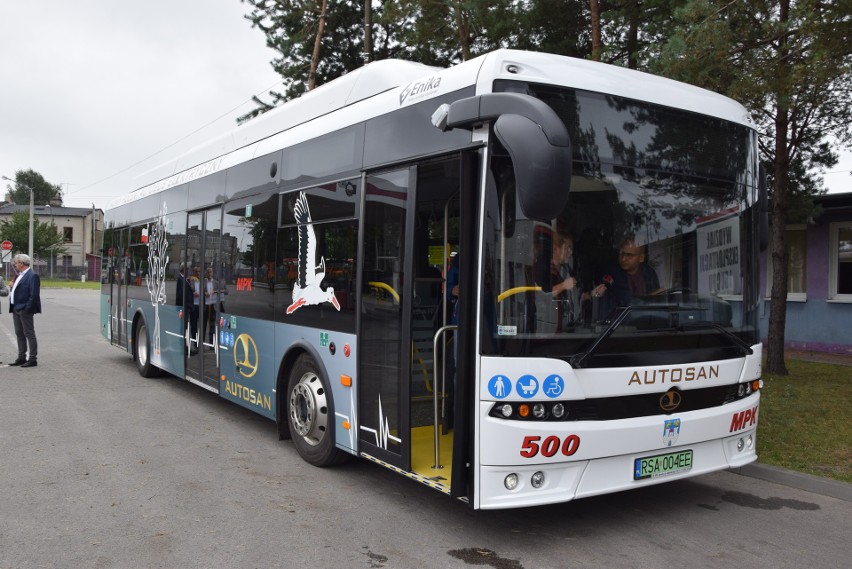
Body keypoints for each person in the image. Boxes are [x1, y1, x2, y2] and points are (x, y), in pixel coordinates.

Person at [592, 236, 662, 311]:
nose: (623, 259)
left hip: (647, 319)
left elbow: (657, 305)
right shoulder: (611, 273)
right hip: (620, 321)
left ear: (641, 258)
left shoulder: (649, 273)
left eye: (629, 255)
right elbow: (627, 302)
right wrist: (654, 296)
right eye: (621, 253)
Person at [9, 253, 42, 367]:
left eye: (16, 263)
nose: (15, 264)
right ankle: (21, 357)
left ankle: (33, 358)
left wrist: (26, 308)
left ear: (22, 264)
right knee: (19, 333)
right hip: (15, 308)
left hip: (24, 309)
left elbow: (34, 295)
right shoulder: (19, 275)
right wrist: (12, 287)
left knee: (29, 333)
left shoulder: (32, 276)